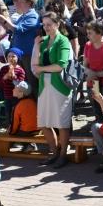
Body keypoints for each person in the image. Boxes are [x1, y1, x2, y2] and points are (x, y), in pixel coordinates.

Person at [31, 12, 75, 168]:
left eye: (49, 24)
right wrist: (36, 45)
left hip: (60, 86)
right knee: (44, 122)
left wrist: (41, 69)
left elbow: (60, 65)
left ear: (57, 24)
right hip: (45, 86)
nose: (46, 27)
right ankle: (54, 152)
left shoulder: (63, 41)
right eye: (44, 24)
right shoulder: (43, 42)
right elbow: (34, 64)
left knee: (62, 123)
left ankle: (62, 155)